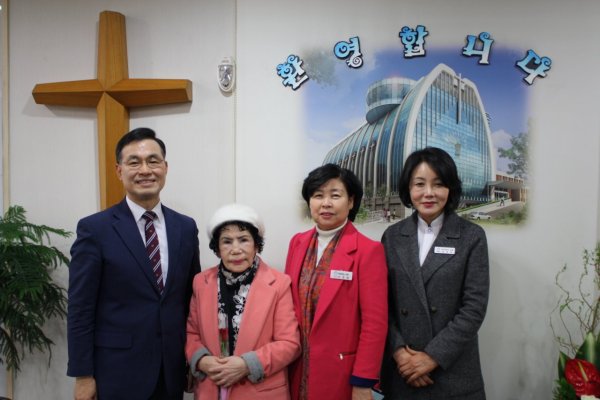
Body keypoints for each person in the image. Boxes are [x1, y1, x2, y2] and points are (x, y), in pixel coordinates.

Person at [67, 127, 201, 400]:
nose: (145, 170)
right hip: (117, 372)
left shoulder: (185, 228)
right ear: (119, 171)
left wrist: (192, 358)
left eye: (153, 161)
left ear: (165, 167)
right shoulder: (95, 229)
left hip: (171, 370)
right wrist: (83, 375)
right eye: (134, 162)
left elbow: (192, 300)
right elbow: (80, 308)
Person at [380, 147, 490, 399]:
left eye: (438, 184)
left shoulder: (472, 236)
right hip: (403, 371)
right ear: (408, 188)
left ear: (450, 188)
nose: (428, 193)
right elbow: (380, 304)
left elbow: (474, 308)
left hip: (452, 371)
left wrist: (432, 357)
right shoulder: (393, 236)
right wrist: (399, 353)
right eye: (419, 184)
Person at [285, 164, 388, 400]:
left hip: (341, 373)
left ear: (351, 201)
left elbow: (375, 324)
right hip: (296, 368)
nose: (326, 203)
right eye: (318, 195)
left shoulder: (368, 251)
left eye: (335, 195)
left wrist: (363, 381)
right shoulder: (297, 243)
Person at [186, 203, 300, 399]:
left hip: (260, 390)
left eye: (244, 240)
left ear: (256, 245)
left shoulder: (279, 284)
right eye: (227, 241)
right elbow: (191, 333)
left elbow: (289, 343)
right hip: (212, 386)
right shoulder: (201, 282)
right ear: (217, 248)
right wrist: (201, 360)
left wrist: (247, 365)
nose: (236, 249)